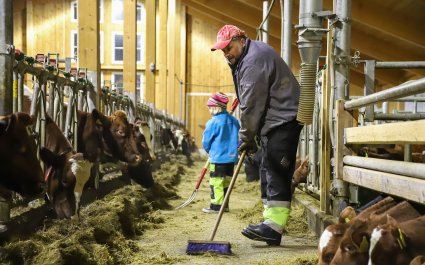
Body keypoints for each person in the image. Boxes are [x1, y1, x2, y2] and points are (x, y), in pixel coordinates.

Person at [211, 25, 303, 245]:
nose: (226, 54)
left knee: (276, 170)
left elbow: (251, 105)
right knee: (267, 166)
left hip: (283, 119)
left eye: (229, 48)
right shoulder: (246, 58)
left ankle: (273, 227)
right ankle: (269, 222)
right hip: (275, 120)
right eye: (223, 51)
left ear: (241, 40)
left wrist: (245, 137)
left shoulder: (253, 60)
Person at [202, 92, 240, 213]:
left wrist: (209, 150)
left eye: (209, 107)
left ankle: (216, 206)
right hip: (231, 158)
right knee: (226, 182)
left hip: (217, 158)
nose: (208, 109)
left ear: (215, 107)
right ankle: (225, 205)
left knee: (216, 182)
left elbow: (206, 141)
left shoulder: (212, 122)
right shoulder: (234, 121)